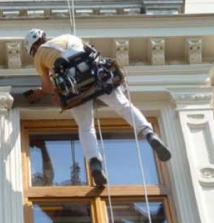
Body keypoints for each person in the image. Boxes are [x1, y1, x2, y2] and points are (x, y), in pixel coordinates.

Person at [24, 29, 171, 186]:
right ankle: (149, 134)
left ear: (34, 47)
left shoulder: (39, 56)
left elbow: (47, 86)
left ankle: (94, 161)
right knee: (123, 106)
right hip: (97, 76)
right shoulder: (69, 37)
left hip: (75, 89)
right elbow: (91, 52)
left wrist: (39, 93)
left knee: (86, 126)